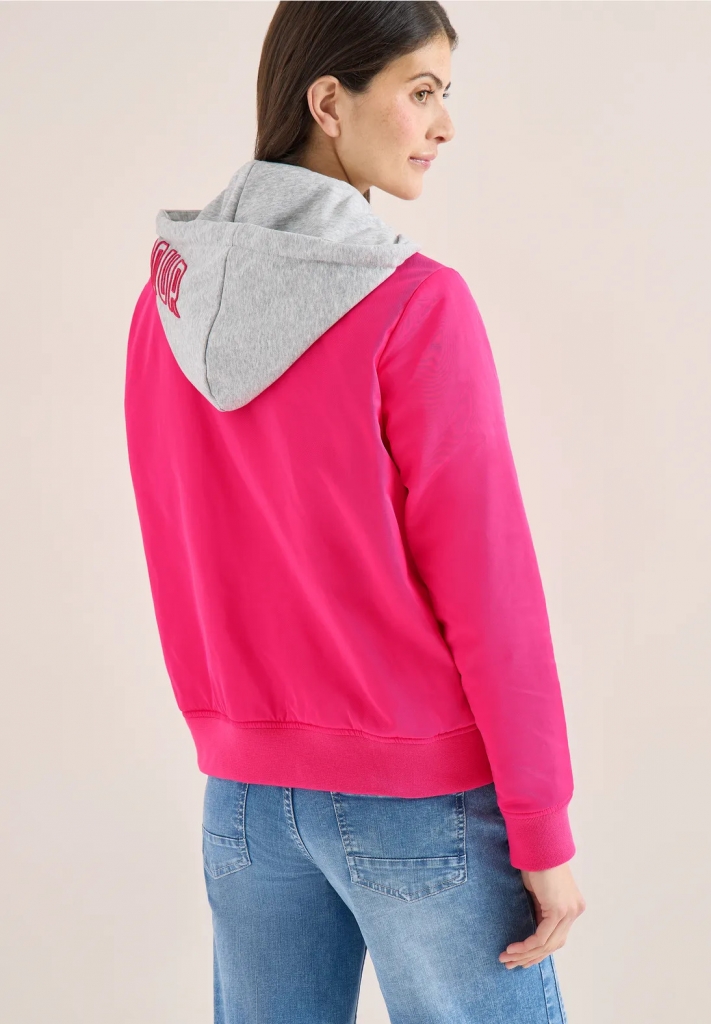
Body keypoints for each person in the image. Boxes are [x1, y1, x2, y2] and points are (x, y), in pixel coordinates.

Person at [124, 2, 586, 1021]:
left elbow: (175, 538)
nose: (444, 124)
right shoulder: (415, 306)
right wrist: (542, 828)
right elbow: (490, 587)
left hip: (244, 802)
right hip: (418, 800)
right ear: (329, 102)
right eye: (421, 92)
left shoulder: (165, 308)